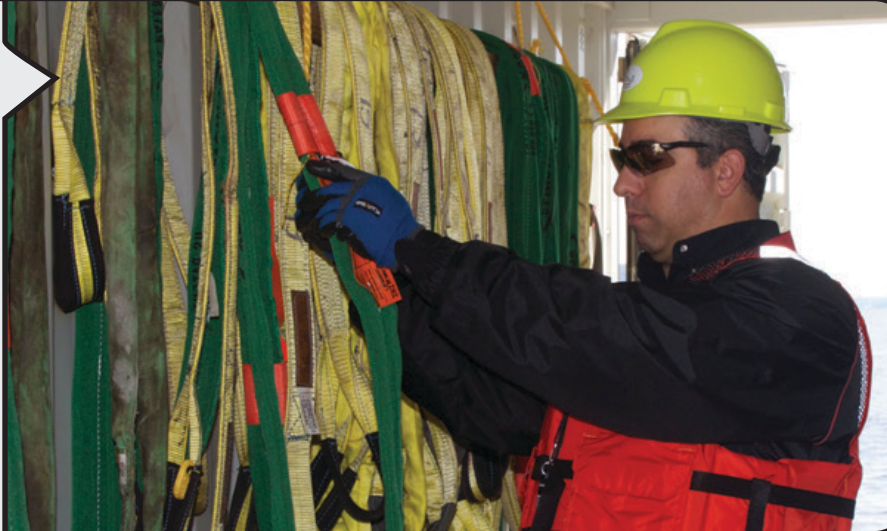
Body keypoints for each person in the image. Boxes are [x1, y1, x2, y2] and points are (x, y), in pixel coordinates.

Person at [296, 20, 871, 531]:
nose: (623, 184)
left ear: (726, 170)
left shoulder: (801, 321)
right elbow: (492, 405)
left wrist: (418, 249)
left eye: (647, 158)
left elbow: (596, 336)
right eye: (623, 161)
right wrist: (374, 280)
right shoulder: (650, 322)